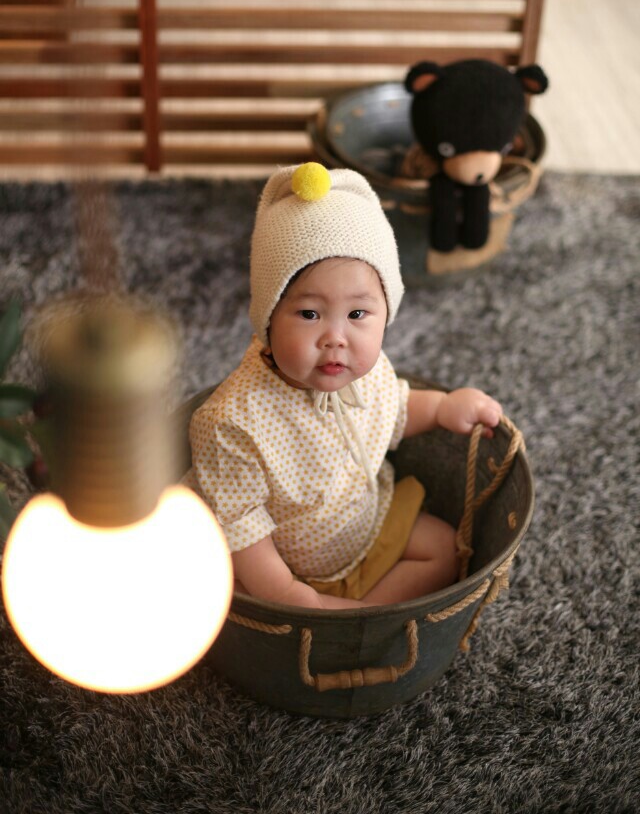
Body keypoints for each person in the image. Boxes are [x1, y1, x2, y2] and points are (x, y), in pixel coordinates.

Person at [185, 162, 502, 609]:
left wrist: (443, 408)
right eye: (309, 314)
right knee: (241, 590)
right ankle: (345, 620)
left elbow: (393, 409)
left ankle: (368, 614)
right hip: (291, 567)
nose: (336, 338)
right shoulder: (233, 423)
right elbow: (241, 526)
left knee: (445, 548)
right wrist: (285, 592)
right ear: (268, 318)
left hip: (365, 520)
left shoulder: (364, 372)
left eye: (357, 314)